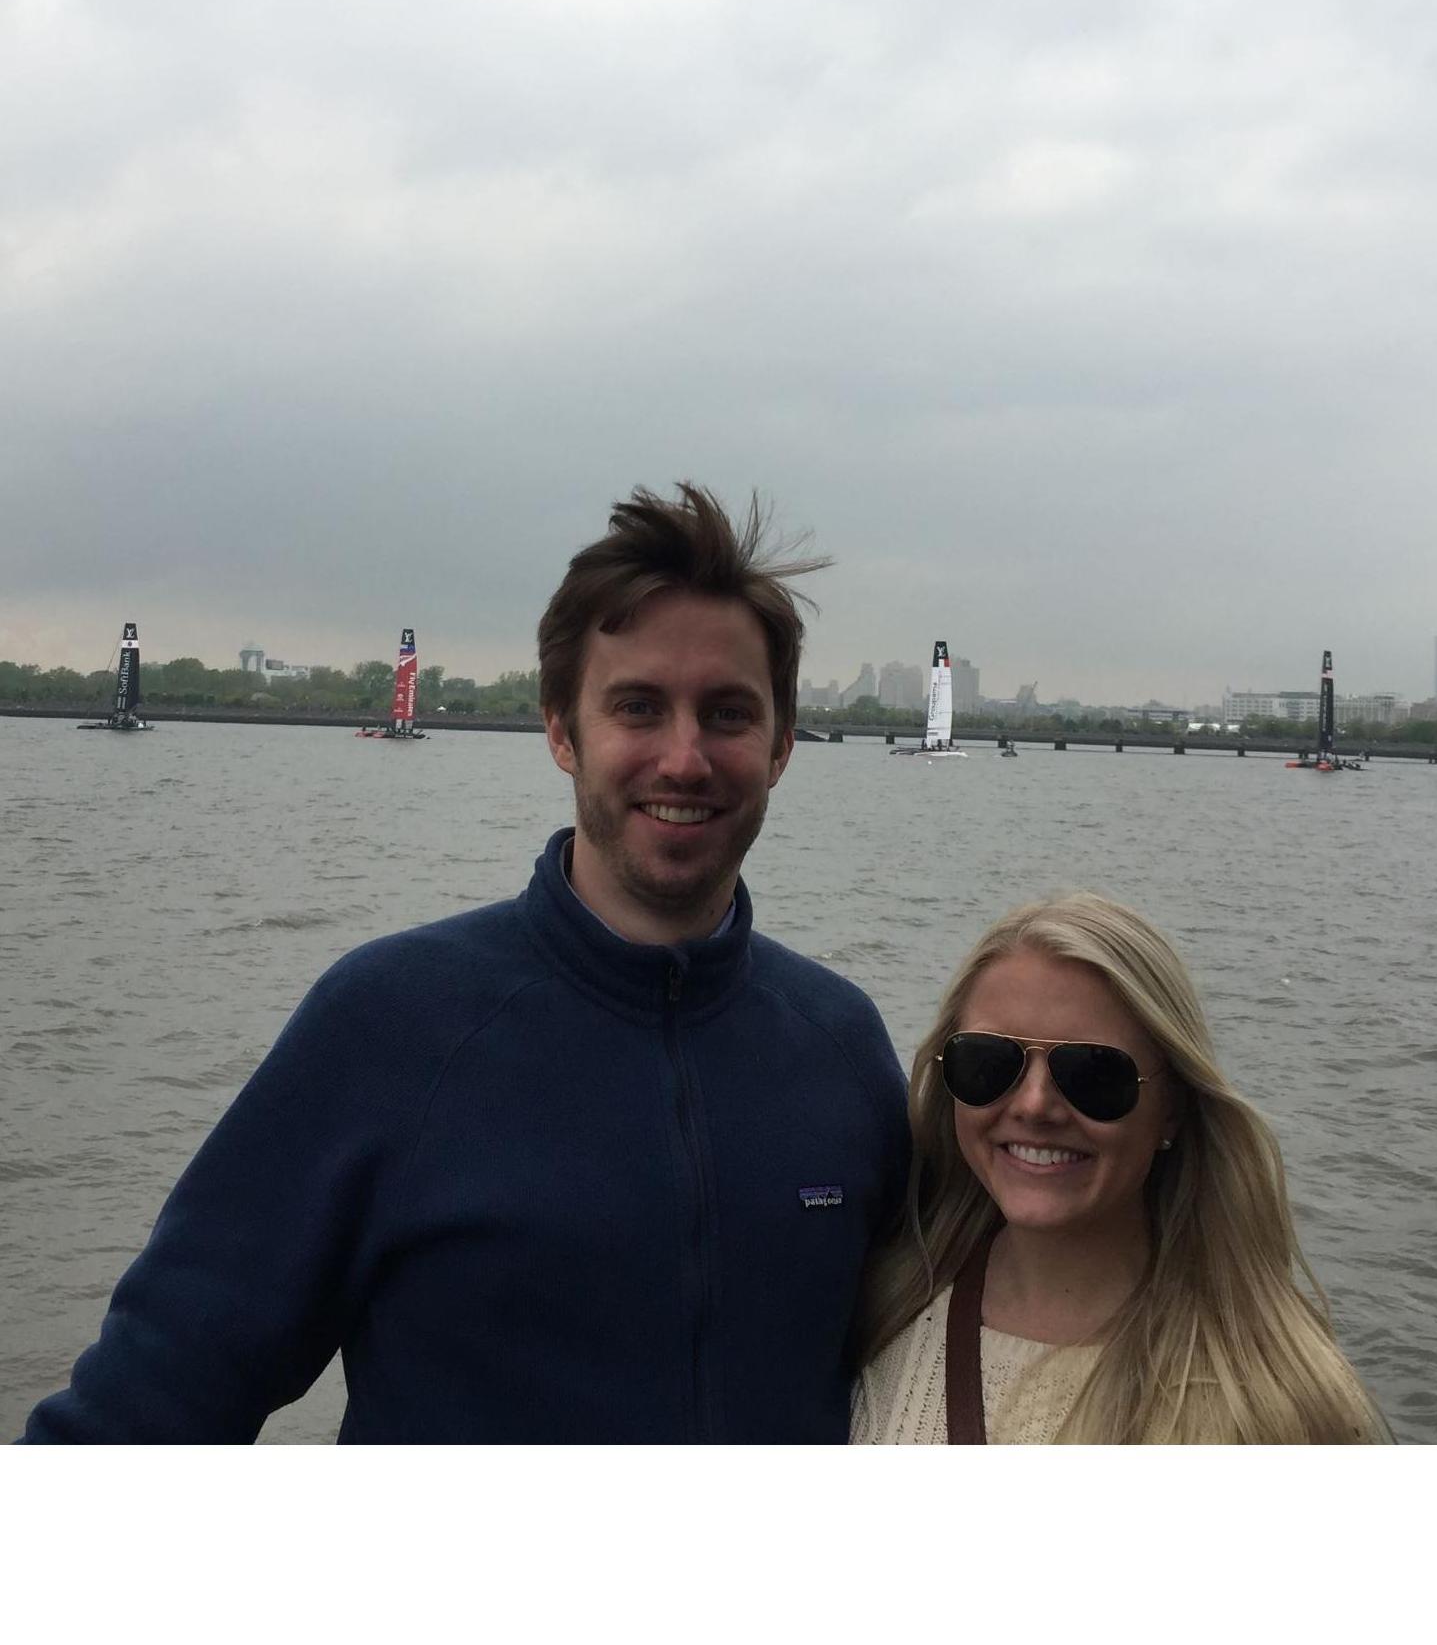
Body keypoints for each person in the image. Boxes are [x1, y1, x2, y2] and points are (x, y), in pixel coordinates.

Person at [22, 483, 908, 1443]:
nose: (685, 759)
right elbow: (153, 1399)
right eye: (639, 708)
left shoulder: (842, 1049)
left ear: (781, 744)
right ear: (563, 732)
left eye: (728, 714)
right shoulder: (390, 1024)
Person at [850, 893, 1386, 1443]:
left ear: (1172, 1106)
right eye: (989, 1062)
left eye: (1094, 1073)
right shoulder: (883, 1305)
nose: (1034, 1105)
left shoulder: (1279, 1405)